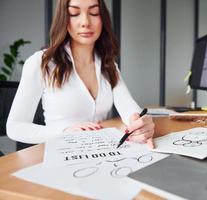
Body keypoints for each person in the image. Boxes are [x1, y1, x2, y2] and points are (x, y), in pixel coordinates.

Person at [6, 0, 155, 148]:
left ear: (102, 17)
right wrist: (64, 132)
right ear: (64, 18)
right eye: (74, 13)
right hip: (62, 152)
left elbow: (128, 106)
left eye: (94, 13)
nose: (85, 22)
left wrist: (140, 122)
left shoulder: (108, 64)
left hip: (103, 152)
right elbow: (15, 127)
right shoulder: (41, 62)